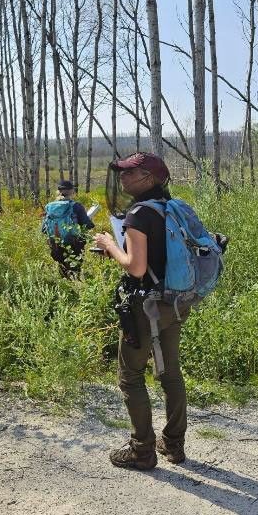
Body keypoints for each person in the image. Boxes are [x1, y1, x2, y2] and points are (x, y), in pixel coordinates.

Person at [92, 153, 189, 470]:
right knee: (170, 372)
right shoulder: (170, 208)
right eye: (121, 173)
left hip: (145, 306)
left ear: (149, 177)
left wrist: (110, 245)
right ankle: (173, 444)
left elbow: (136, 267)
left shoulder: (137, 214)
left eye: (130, 173)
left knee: (130, 376)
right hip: (175, 302)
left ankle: (142, 450)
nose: (122, 178)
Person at [42, 180, 94, 279]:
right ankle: (75, 287)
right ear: (72, 191)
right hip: (74, 244)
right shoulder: (76, 206)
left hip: (55, 243)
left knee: (61, 269)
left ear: (58, 191)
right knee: (75, 269)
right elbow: (88, 225)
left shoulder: (49, 207)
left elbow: (44, 229)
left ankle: (64, 287)